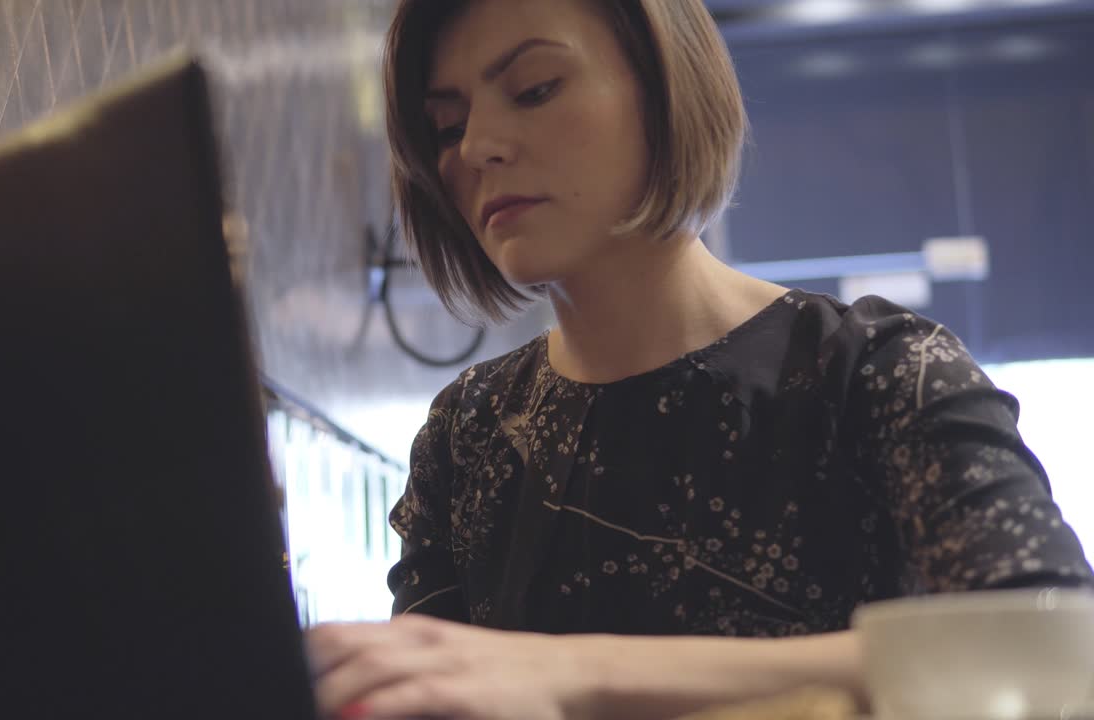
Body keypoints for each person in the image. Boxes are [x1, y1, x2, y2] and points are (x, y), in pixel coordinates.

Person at [305, 1, 1094, 718]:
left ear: (664, 88)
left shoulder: (878, 373)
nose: (477, 147)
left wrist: (573, 674)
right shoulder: (468, 434)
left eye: (535, 88)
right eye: (447, 127)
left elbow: (1053, 651)